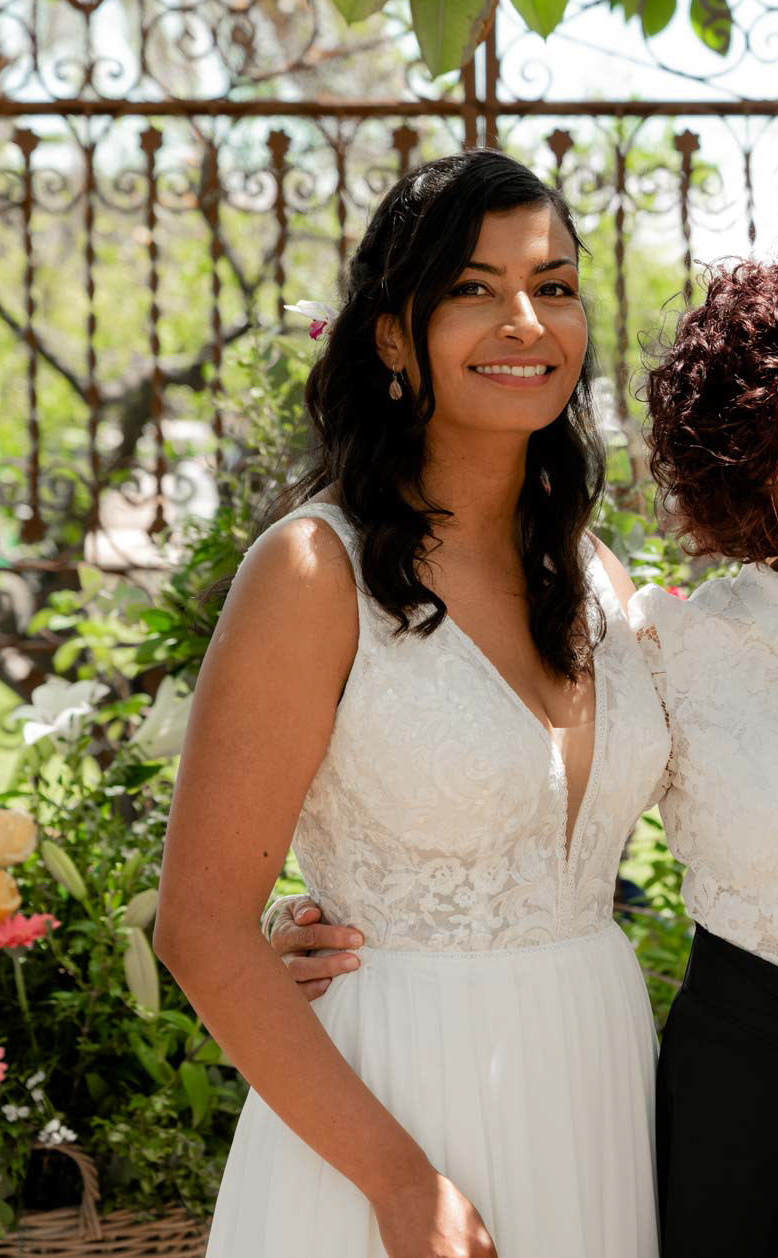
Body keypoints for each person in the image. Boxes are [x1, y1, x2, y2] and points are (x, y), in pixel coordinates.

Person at [271, 248, 778, 1258]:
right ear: (770, 433)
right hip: (768, 1154)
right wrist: (319, 918)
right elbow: (506, 788)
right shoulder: (669, 648)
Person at [153, 150, 673, 1258]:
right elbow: (199, 924)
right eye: (473, 289)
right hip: (386, 1115)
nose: (526, 321)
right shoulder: (311, 571)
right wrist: (398, 1184)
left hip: (596, 1082)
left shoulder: (599, 575)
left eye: (556, 284)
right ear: (392, 336)